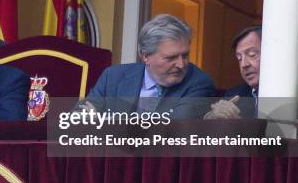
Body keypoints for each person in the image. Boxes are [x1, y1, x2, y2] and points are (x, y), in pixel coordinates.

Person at [83, 14, 215, 118]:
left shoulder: (199, 83)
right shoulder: (113, 76)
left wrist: (102, 124)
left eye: (185, 55)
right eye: (171, 57)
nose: (181, 64)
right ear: (145, 56)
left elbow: (171, 134)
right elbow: (79, 115)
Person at [205, 25, 261, 119]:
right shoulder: (235, 94)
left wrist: (239, 125)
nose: (244, 64)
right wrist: (212, 116)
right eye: (239, 58)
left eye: (252, 55)